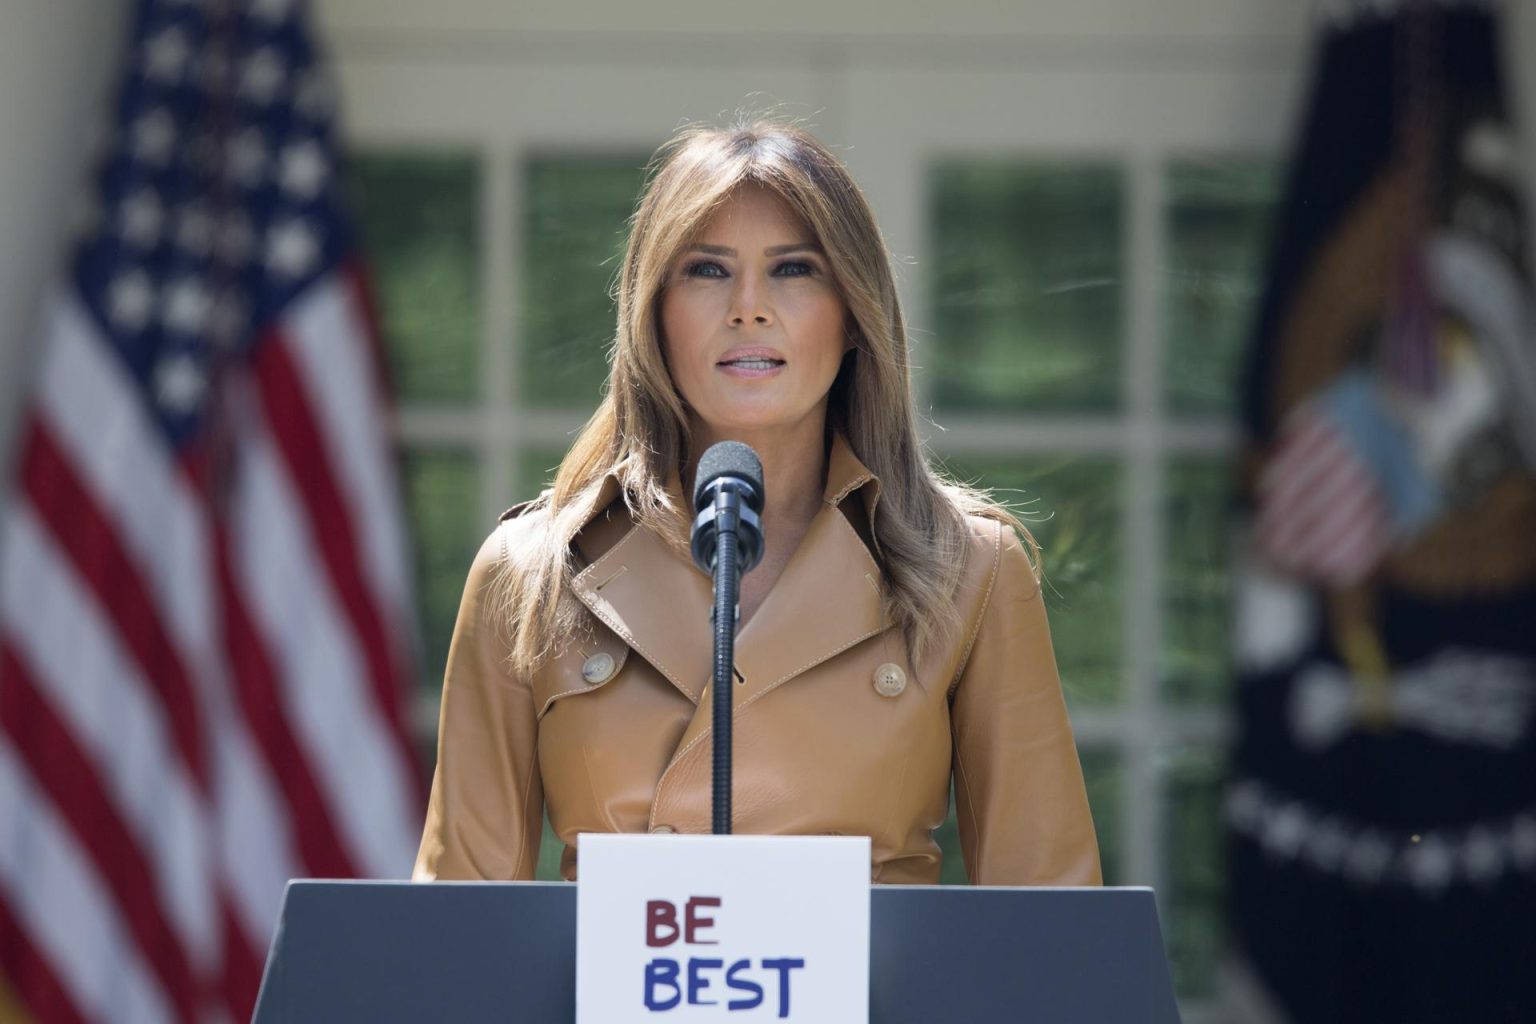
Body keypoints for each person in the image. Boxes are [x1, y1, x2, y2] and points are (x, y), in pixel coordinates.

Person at [413, 120, 1101, 886]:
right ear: (652, 313)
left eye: (794, 269)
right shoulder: (531, 572)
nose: (748, 307)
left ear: (852, 315)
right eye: (706, 270)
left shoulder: (971, 570)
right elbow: (456, 927)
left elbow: (1050, 920)